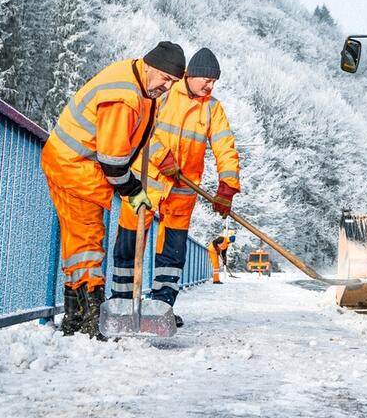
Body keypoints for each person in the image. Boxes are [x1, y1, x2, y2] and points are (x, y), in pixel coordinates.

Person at [41, 41, 185, 339]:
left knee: (77, 243)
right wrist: (133, 192)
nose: (167, 87)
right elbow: (112, 160)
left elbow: (140, 136)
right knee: (88, 241)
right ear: (149, 66)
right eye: (165, 79)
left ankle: (75, 316)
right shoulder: (124, 96)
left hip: (77, 162)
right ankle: (93, 321)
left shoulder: (143, 87)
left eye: (172, 83)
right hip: (76, 164)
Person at [110, 47, 241, 327]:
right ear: (191, 75)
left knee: (173, 252)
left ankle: (161, 308)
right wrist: (162, 157)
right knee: (129, 242)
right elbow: (143, 129)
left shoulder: (212, 108)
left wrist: (227, 187)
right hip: (143, 184)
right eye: (206, 79)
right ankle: (121, 305)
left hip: (182, 192)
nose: (210, 85)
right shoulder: (165, 90)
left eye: (214, 82)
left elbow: (225, 146)